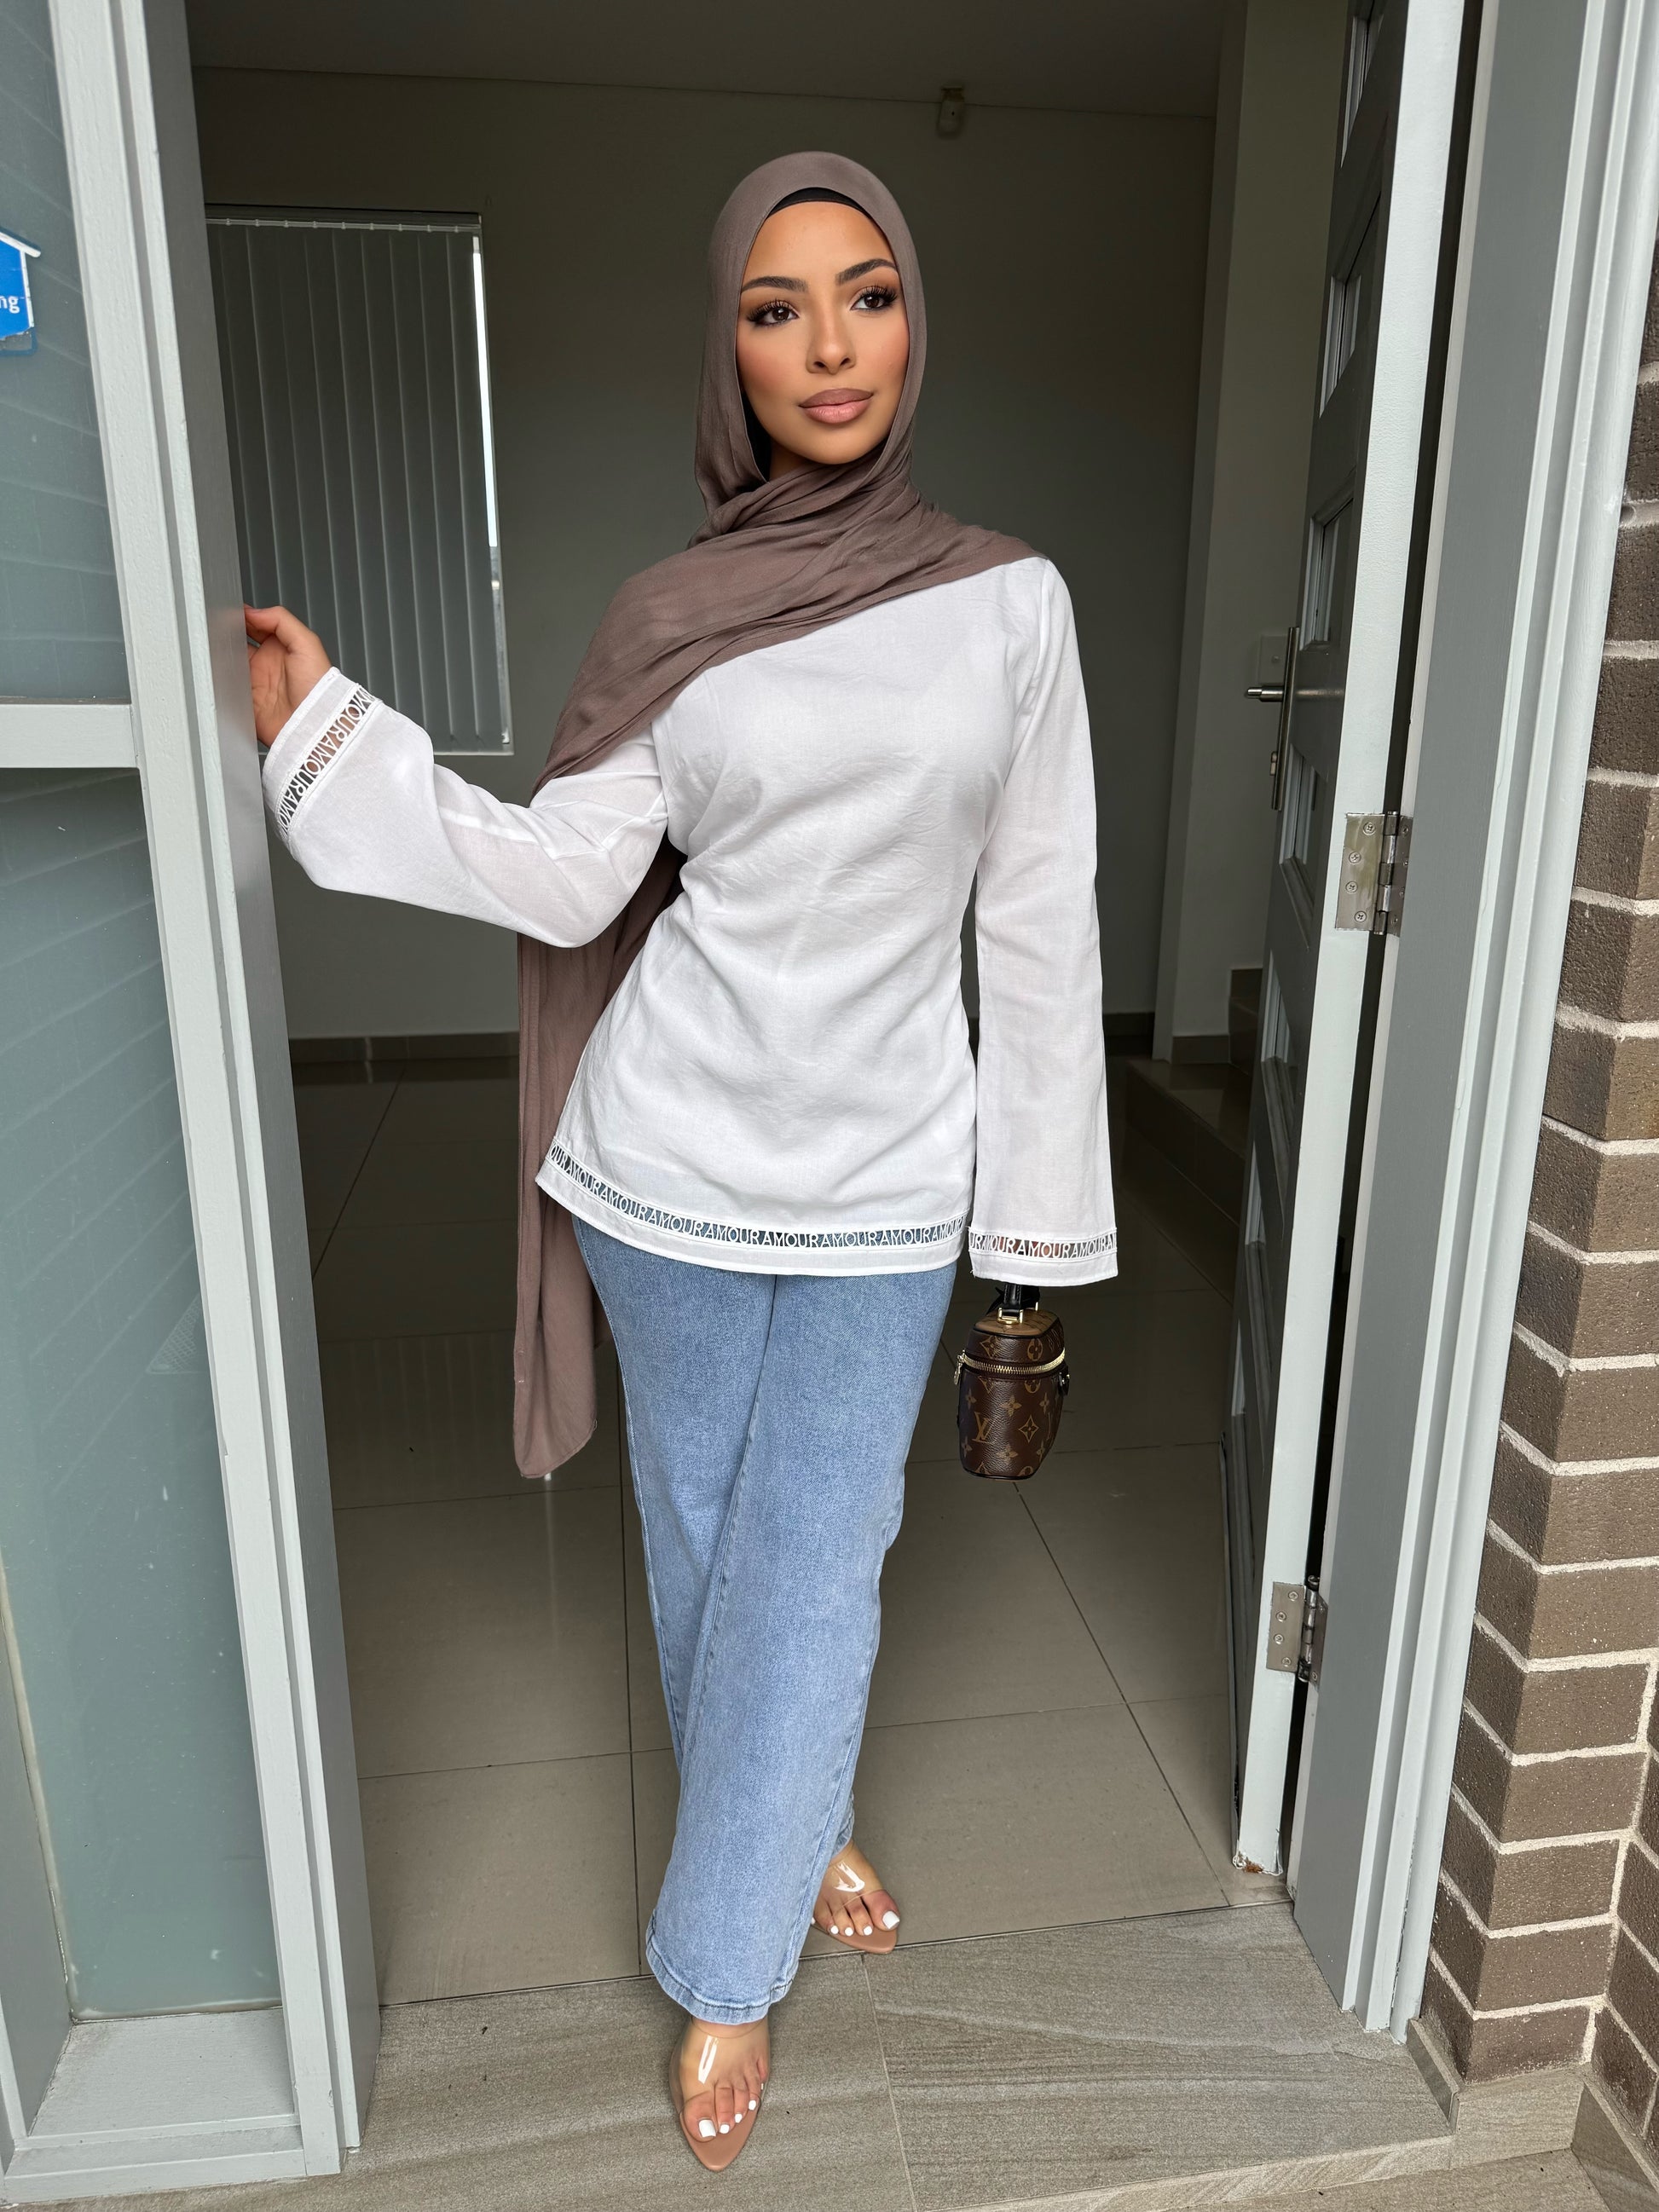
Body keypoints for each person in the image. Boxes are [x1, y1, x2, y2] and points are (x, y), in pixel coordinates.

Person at [246, 152, 1115, 2174]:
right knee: (710, 1537)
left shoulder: (1010, 603)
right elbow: (567, 871)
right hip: (667, 1168)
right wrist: (327, 731)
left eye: (867, 293)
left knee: (824, 1546)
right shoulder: (673, 616)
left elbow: (1039, 924)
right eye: (775, 306)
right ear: (727, 347)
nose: (830, 344)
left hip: (890, 1180)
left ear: (913, 322)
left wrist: (1031, 1233)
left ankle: (725, 1960)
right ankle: (797, 1824)